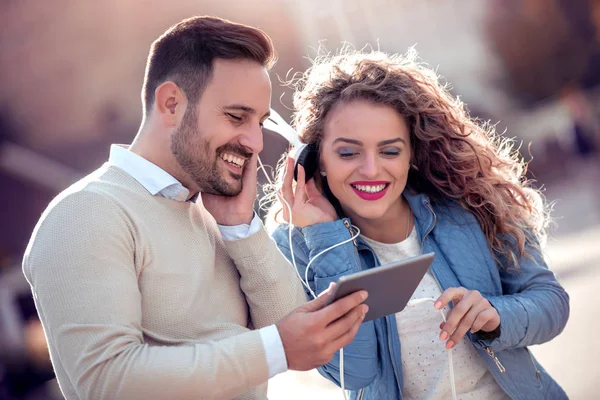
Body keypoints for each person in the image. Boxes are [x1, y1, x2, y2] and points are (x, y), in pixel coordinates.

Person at [22, 16, 368, 400]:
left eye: (260, 122)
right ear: (171, 104)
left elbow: (294, 336)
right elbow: (108, 383)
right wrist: (275, 348)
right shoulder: (84, 214)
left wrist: (241, 227)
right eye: (237, 117)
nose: (255, 141)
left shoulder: (214, 213)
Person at [267, 49, 569, 400]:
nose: (370, 170)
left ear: (412, 154)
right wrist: (325, 235)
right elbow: (355, 371)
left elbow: (551, 303)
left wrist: (496, 314)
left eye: (390, 151)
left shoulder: (468, 204)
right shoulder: (297, 248)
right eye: (348, 153)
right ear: (316, 160)